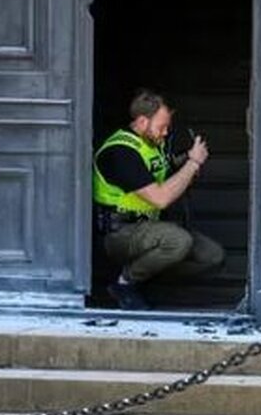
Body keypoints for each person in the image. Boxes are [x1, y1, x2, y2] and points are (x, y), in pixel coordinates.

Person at [92, 90, 225, 310]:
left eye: (167, 128)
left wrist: (186, 160)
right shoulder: (121, 151)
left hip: (149, 228)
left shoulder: (152, 143)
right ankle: (124, 284)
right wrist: (193, 164)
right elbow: (161, 198)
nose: (165, 133)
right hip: (119, 233)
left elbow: (163, 168)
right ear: (142, 121)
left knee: (212, 256)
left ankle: (145, 277)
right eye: (161, 127)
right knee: (178, 241)